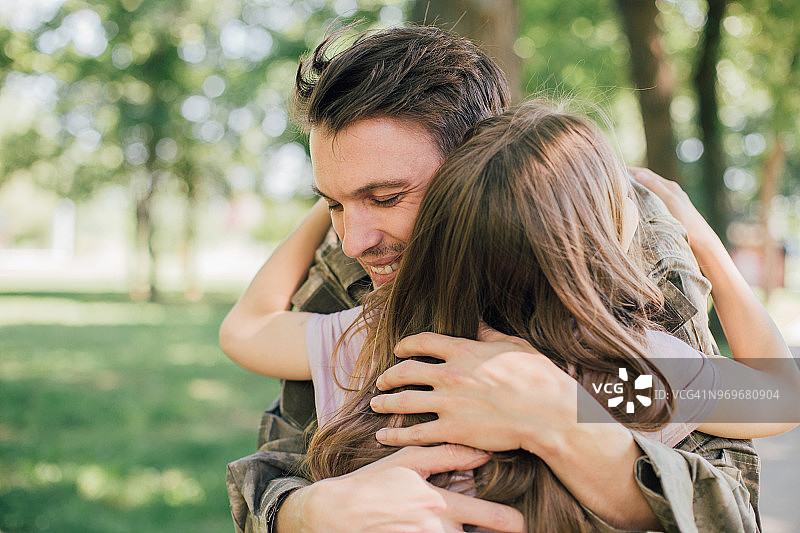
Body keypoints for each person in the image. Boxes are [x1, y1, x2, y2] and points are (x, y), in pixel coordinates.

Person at [222, 25, 764, 533]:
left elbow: (726, 501)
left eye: (385, 196)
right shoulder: (608, 371)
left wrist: (567, 424)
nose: (351, 241)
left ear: (471, 165)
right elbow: (773, 397)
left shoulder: (380, 343)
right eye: (334, 203)